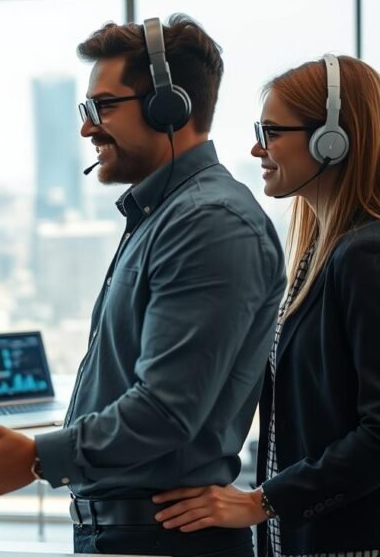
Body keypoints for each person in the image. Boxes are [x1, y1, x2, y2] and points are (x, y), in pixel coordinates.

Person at [0, 15, 286, 556]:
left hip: (162, 538)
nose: (86, 128)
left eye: (101, 107)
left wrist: (35, 457)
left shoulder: (209, 223)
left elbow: (166, 409)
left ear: (169, 107)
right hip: (130, 532)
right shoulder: (163, 215)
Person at [151, 55, 380, 555]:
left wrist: (264, 501)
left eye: (272, 132)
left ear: (332, 141)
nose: (256, 147)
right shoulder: (320, 252)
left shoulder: (365, 254)